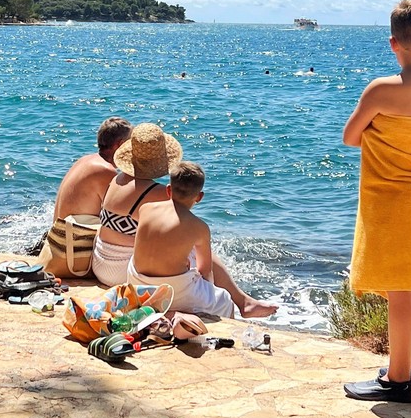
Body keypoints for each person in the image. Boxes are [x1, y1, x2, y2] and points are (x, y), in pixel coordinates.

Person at [341, 0, 411, 403]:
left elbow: (351, 136)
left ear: (393, 44)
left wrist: (376, 130)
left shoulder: (381, 89)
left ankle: (396, 380)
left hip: (390, 201)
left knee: (399, 291)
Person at [127, 161, 278, 319]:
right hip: (170, 291)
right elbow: (205, 271)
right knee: (224, 300)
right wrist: (209, 292)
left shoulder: (146, 208)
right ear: (199, 197)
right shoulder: (198, 227)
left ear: (168, 190)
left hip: (137, 284)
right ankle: (226, 335)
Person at [38, 117, 132, 278]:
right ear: (120, 144)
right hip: (71, 253)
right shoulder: (105, 170)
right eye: (131, 144)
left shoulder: (86, 160)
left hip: (57, 242)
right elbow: (120, 214)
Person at [91, 122, 180, 287]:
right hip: (124, 272)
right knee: (193, 248)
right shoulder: (159, 192)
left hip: (99, 264)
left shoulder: (116, 180)